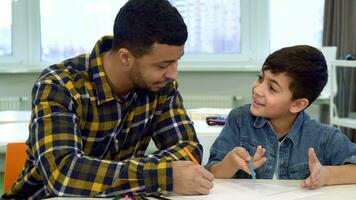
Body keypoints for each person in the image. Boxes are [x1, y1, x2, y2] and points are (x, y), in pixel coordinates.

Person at [2, 0, 214, 199]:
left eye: (177, 61)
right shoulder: (59, 85)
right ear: (125, 57)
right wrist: (161, 175)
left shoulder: (160, 85)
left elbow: (188, 149)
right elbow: (63, 172)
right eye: (162, 65)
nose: (173, 74)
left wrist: (131, 176)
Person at [206, 45, 356, 189]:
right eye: (260, 78)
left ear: (297, 105)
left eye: (272, 88)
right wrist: (230, 164)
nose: (258, 89)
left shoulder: (323, 137)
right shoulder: (239, 119)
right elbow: (211, 173)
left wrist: (327, 175)